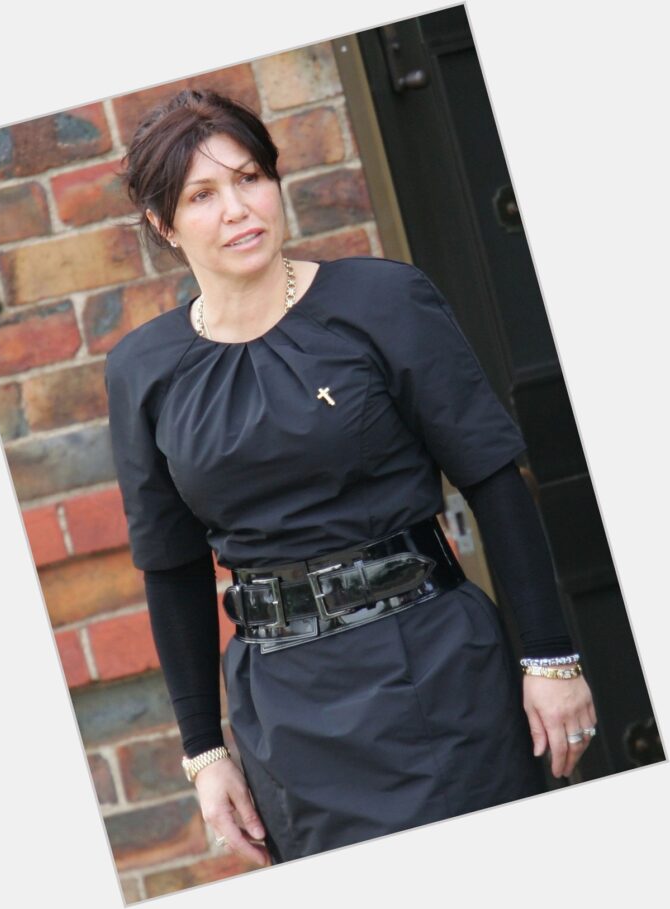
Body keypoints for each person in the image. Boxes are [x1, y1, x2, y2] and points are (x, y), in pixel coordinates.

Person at [105, 89, 597, 868]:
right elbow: (171, 568)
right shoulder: (143, 370)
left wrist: (550, 658)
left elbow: (494, 479)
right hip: (285, 716)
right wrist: (205, 752)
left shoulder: (382, 300)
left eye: (250, 178)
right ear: (164, 224)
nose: (238, 209)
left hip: (434, 669)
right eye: (202, 195)